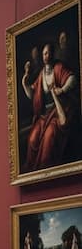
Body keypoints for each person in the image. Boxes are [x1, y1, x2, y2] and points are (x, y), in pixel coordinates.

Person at [21, 42, 79, 172]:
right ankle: (31, 172)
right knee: (32, 139)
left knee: (49, 137)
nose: (45, 56)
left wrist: (62, 90)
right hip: (44, 115)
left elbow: (72, 79)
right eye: (44, 53)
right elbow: (33, 94)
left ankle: (46, 170)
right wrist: (25, 83)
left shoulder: (59, 67)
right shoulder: (42, 74)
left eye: (47, 53)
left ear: (52, 54)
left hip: (58, 111)